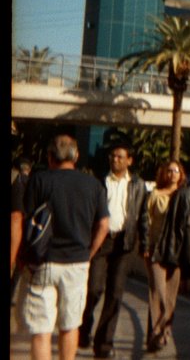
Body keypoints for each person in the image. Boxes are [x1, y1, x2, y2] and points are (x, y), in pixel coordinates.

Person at [18, 134, 109, 360]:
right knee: (70, 326)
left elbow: (24, 221)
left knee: (41, 330)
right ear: (76, 156)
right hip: (77, 263)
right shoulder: (93, 185)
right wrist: (89, 253)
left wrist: (20, 257)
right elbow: (104, 225)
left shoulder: (39, 180)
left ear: (49, 156)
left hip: (43, 262)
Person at [80, 143, 150, 358]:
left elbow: (143, 217)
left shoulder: (138, 185)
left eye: (120, 157)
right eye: (112, 156)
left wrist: (145, 245)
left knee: (115, 294)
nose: (115, 160)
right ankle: (84, 326)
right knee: (94, 289)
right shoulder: (100, 182)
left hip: (125, 243)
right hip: (102, 241)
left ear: (129, 160)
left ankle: (103, 345)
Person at [143, 160, 190, 353]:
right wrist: (145, 246)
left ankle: (163, 334)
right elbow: (147, 221)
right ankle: (155, 333)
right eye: (169, 171)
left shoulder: (184, 196)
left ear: (181, 175)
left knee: (170, 297)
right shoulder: (154, 195)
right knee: (158, 293)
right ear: (163, 174)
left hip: (176, 252)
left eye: (176, 171)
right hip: (157, 251)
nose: (172, 174)